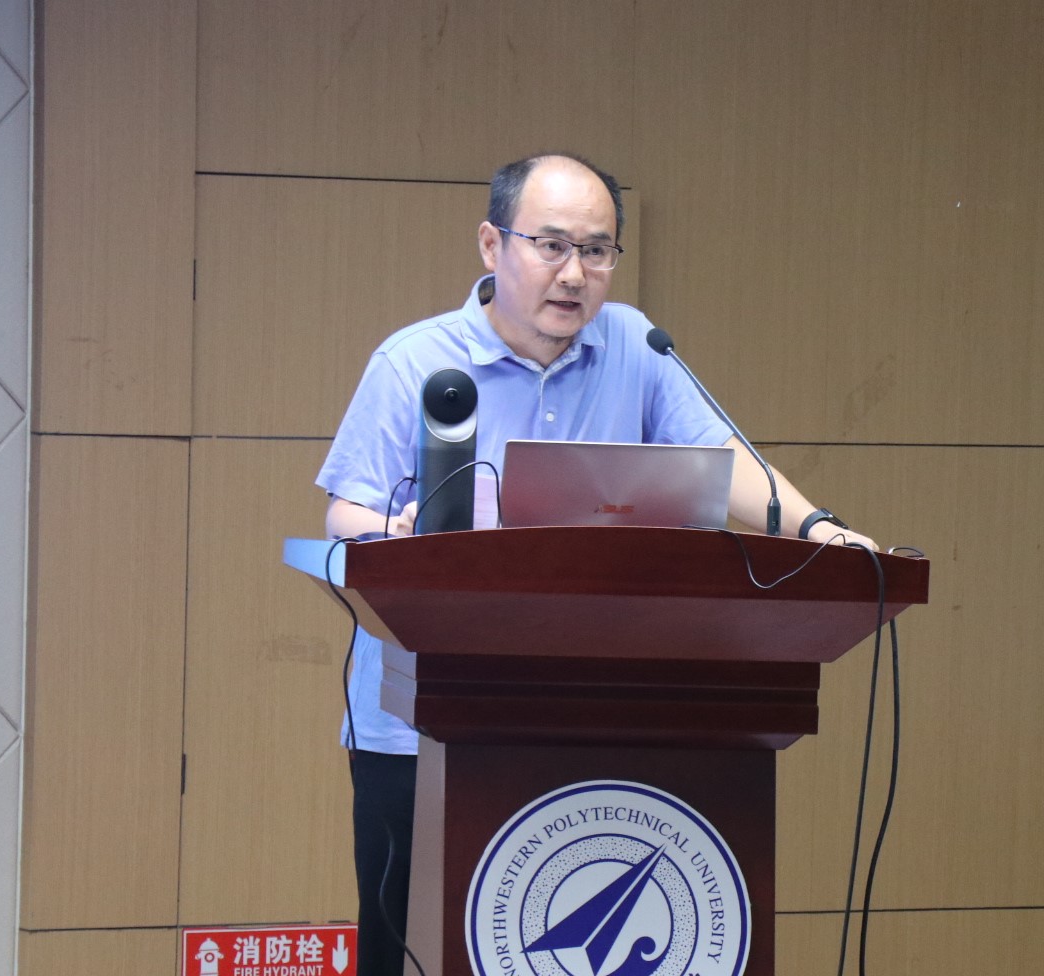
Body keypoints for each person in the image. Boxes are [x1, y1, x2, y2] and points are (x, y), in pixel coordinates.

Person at [316, 152, 877, 976]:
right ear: (491, 245)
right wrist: (397, 528)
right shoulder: (411, 361)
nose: (575, 273)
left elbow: (724, 463)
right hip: (416, 723)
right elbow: (343, 513)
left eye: (597, 250)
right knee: (409, 948)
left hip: (594, 712)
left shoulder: (636, 348)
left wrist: (822, 533)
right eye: (551, 246)